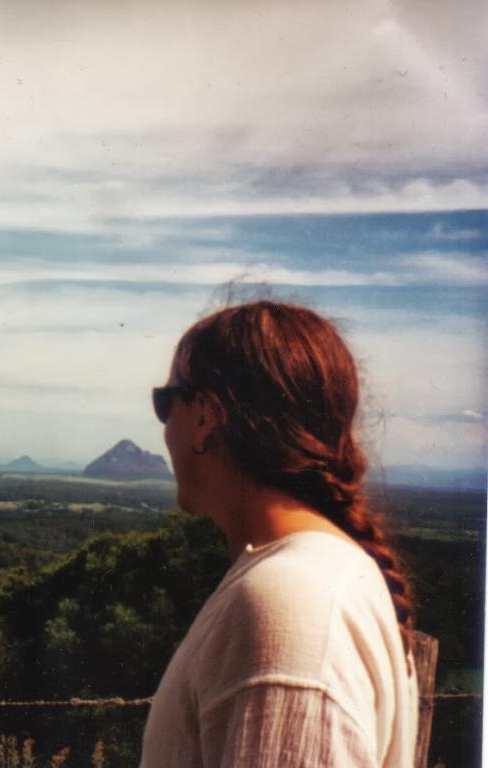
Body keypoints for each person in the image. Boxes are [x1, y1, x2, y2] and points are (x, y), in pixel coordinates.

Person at [140, 301, 418, 767]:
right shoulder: (316, 579)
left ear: (205, 416)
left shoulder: (288, 603)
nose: (164, 429)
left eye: (166, 402)